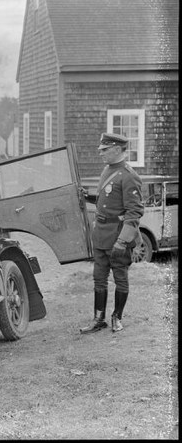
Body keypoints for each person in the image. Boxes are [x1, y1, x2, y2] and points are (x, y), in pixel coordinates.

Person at [80, 133, 144, 334]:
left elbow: (134, 213)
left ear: (117, 149)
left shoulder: (128, 175)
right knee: (99, 278)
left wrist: (123, 241)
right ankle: (99, 319)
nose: (100, 153)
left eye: (104, 150)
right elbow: (106, 201)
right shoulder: (108, 170)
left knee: (120, 278)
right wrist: (88, 197)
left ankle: (117, 317)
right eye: (101, 150)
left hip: (118, 237)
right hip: (100, 235)